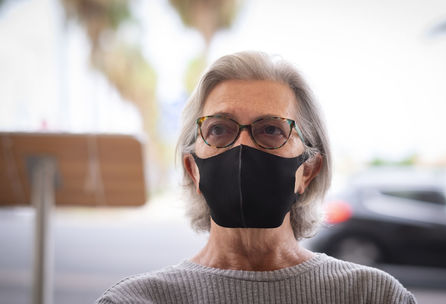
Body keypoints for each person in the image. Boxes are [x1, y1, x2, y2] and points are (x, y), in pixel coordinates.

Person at [96, 51, 417, 304]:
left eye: (271, 130)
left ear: (308, 170)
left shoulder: (371, 296)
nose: (242, 147)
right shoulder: (135, 300)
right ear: (193, 169)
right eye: (219, 129)